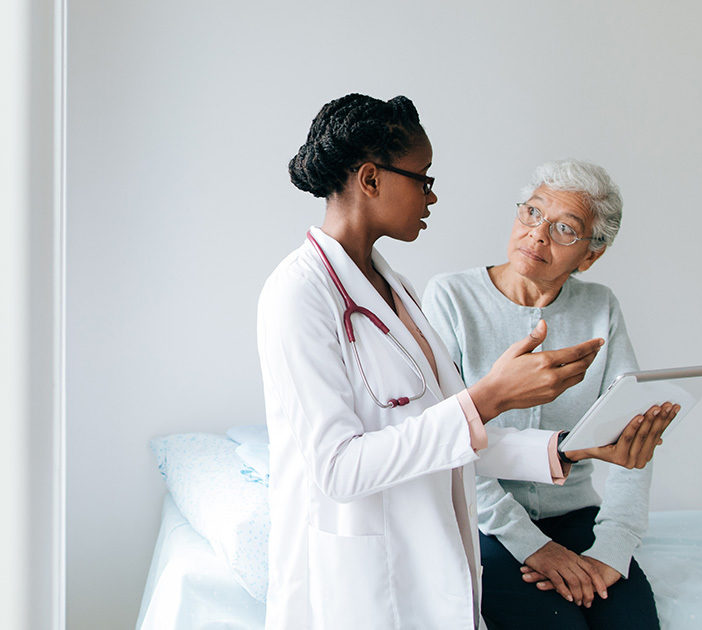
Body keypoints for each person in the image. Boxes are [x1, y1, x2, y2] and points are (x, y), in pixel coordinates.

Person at [257, 95, 674, 630]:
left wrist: (565, 451)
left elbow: (449, 436)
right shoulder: (298, 293)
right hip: (359, 573)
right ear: (370, 179)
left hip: (429, 550)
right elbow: (339, 468)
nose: (432, 196)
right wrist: (492, 396)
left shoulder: (394, 289)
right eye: (423, 178)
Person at [423, 159, 673, 629]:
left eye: (564, 228)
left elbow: (633, 439)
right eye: (532, 213)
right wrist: (533, 546)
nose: (538, 234)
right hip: (483, 521)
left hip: (574, 515)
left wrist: (613, 551)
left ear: (591, 255)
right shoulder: (451, 298)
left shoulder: (601, 307)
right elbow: (447, 442)